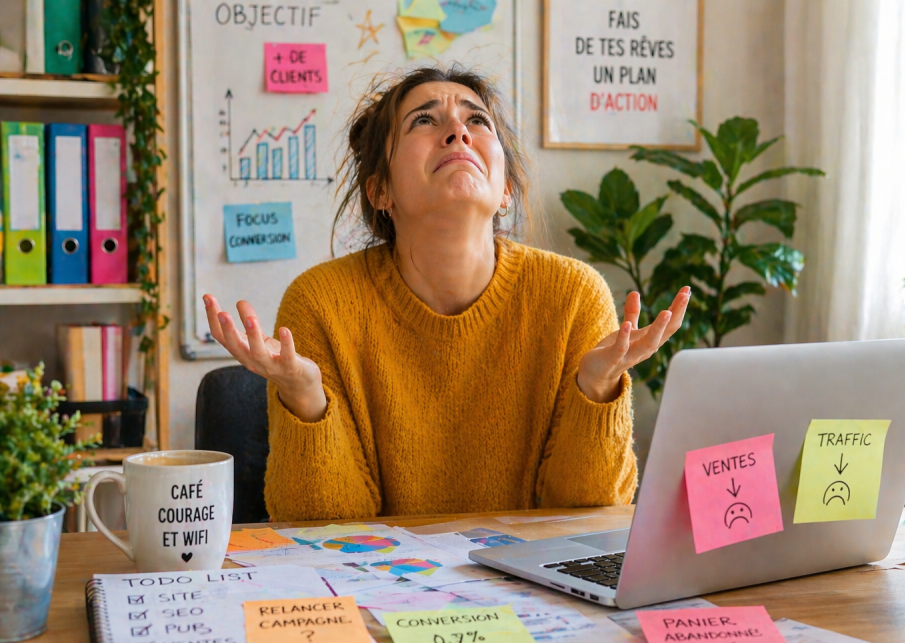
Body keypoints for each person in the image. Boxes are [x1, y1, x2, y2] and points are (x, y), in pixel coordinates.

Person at [203, 66, 690, 521]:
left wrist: (597, 387)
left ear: (506, 189)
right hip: (383, 581)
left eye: (477, 120)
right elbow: (322, 527)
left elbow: (588, 514)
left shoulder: (574, 296)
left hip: (526, 582)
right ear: (380, 191)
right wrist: (305, 397)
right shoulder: (320, 302)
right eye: (424, 120)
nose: (459, 132)